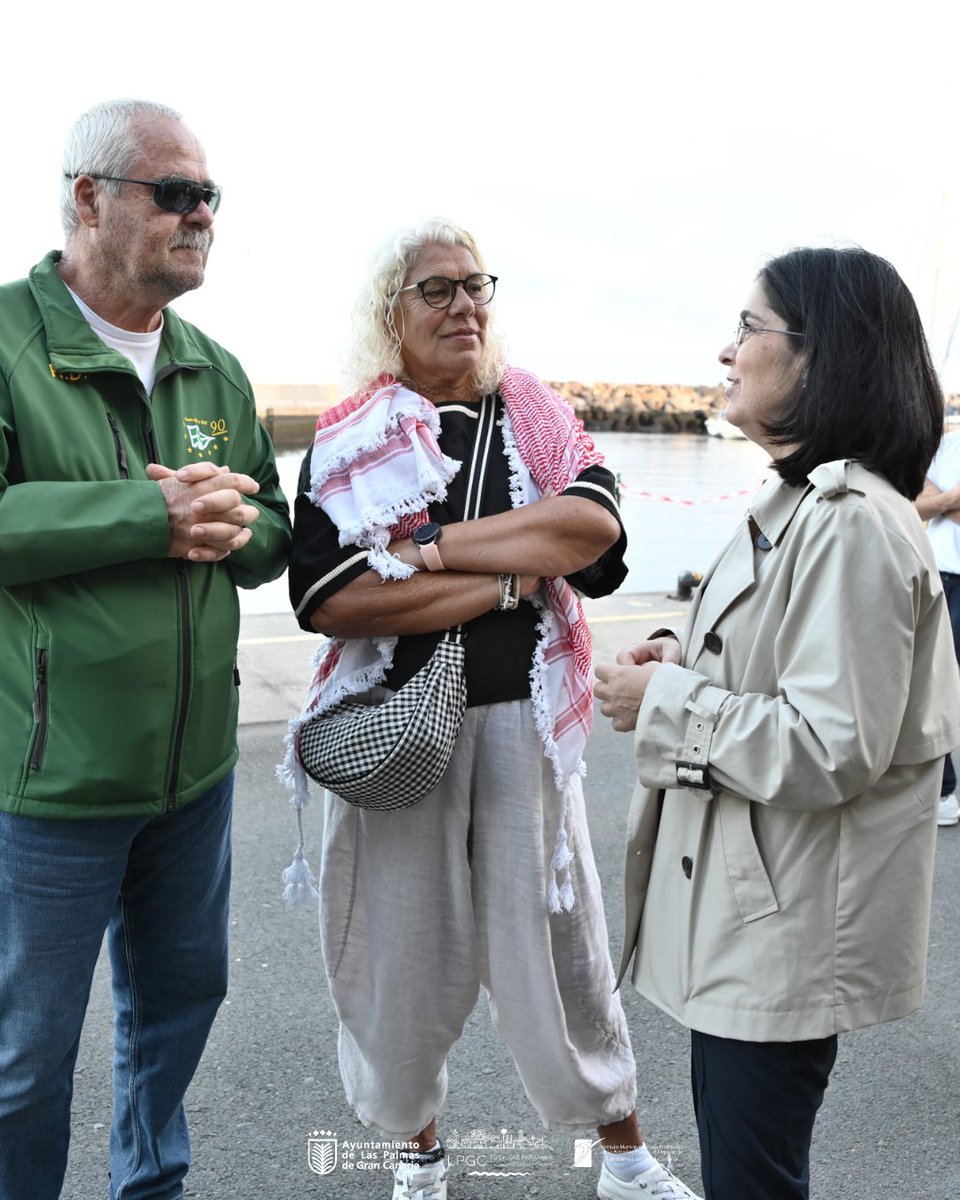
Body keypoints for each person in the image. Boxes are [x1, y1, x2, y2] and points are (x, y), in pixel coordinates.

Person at [285, 219, 700, 1200]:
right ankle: (419, 1155)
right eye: (438, 290)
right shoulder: (354, 433)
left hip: (521, 719)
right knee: (399, 956)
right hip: (394, 730)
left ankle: (627, 1161)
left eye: (478, 286)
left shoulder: (536, 416)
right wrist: (512, 579)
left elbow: (592, 532)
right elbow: (330, 598)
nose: (466, 305)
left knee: (563, 949)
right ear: (392, 311)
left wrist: (431, 549)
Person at [594, 246, 960, 1200]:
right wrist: (682, 650)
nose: (728, 351)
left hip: (782, 925)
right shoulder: (802, 503)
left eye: (750, 329)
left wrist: (663, 705)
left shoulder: (851, 521)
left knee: (752, 1181)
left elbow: (831, 744)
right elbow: (784, 659)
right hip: (761, 916)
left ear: (819, 356)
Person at [0, 99, 291, 1200]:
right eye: (176, 193)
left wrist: (230, 525)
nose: (201, 215)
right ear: (89, 197)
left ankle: (148, 1189)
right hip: (46, 788)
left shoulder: (216, 369)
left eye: (210, 197)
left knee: (177, 1009)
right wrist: (149, 516)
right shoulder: (6, 342)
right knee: (25, 1056)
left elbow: (270, 535)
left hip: (193, 781)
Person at [916, 431, 960, 826]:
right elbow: (915, 507)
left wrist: (940, 500)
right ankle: (944, 792)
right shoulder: (945, 446)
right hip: (944, 577)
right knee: (935, 683)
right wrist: (949, 500)